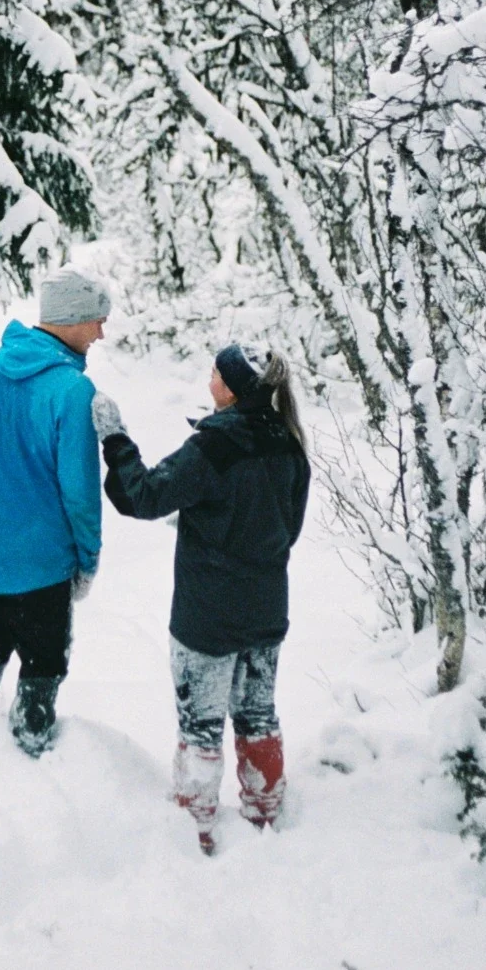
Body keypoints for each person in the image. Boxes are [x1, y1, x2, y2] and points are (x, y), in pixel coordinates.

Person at [92, 344, 310, 854]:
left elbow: (140, 496)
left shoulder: (214, 447)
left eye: (214, 372)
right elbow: (287, 529)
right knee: (259, 716)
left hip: (207, 618)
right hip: (265, 613)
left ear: (232, 389)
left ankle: (196, 832)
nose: (208, 377)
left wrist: (115, 438)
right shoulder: (289, 445)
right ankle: (264, 817)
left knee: (200, 726)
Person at [0, 268, 110, 757]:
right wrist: (87, 559)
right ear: (70, 320)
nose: (101, 332)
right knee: (44, 662)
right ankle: (29, 748)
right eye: (96, 321)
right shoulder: (71, 392)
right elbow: (80, 492)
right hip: (40, 561)